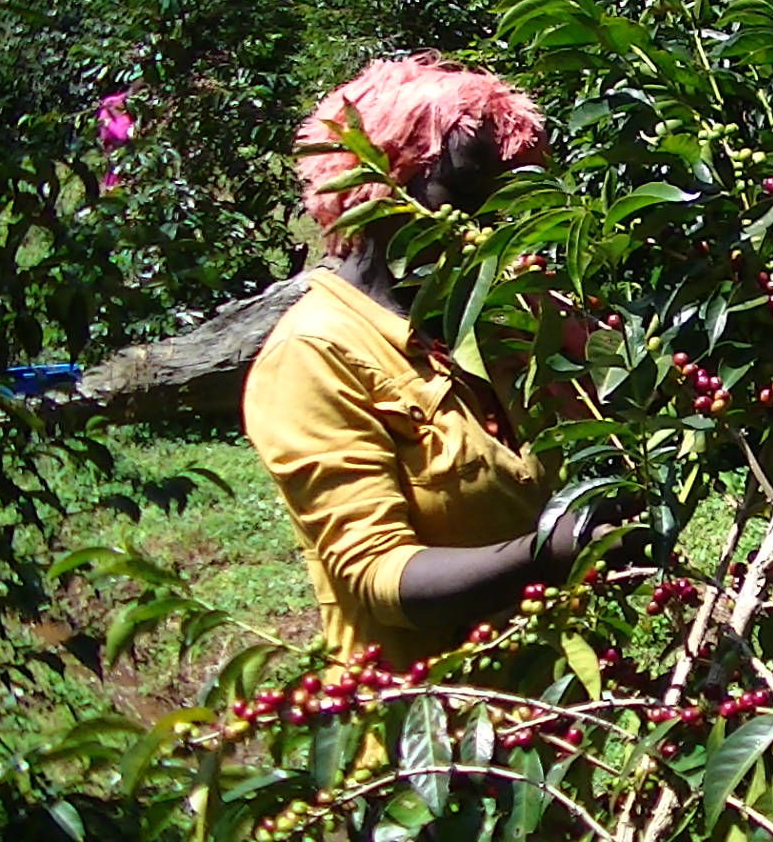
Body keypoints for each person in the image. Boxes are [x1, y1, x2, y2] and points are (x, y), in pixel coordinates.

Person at [243, 54, 610, 669]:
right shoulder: (314, 356)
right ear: (377, 188)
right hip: (422, 736)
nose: (483, 223)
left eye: (502, 201)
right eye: (462, 195)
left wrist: (580, 339)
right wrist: (552, 551)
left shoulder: (492, 315)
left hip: (548, 726)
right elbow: (382, 578)